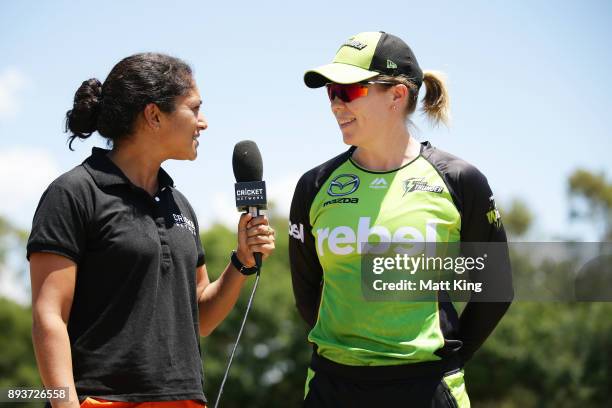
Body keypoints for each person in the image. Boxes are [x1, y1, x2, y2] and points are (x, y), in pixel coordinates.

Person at [27, 53, 275, 408]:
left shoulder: (181, 205)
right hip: (102, 401)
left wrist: (242, 261)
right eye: (194, 108)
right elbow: (48, 316)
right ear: (154, 115)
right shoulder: (73, 193)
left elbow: (200, 318)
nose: (203, 123)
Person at [289, 31, 513, 407]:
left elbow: (495, 290)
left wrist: (446, 360)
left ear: (397, 95)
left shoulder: (459, 179)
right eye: (331, 92)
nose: (336, 104)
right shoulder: (314, 185)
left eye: (350, 91)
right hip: (333, 385)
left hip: (426, 387)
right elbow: (308, 293)